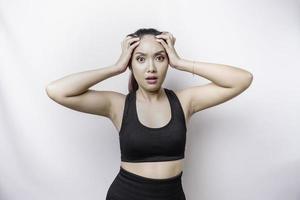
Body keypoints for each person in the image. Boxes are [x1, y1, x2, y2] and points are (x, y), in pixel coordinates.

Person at [46, 28, 253, 200]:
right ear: (131, 64)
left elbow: (242, 79)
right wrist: (116, 67)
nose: (151, 68)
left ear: (167, 61)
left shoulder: (184, 102)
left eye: (160, 58)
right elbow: (57, 91)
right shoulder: (118, 105)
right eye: (141, 59)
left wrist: (181, 62)